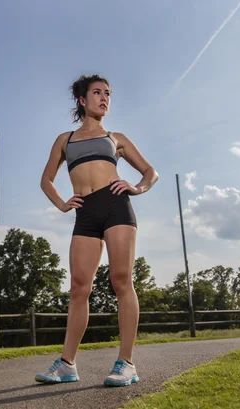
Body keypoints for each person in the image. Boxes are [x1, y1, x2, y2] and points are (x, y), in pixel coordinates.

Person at [36, 74, 159, 387]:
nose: (104, 98)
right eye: (97, 92)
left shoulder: (116, 137)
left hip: (116, 205)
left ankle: (126, 363)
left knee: (121, 280)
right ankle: (67, 364)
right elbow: (46, 180)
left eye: (108, 93)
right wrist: (63, 203)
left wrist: (138, 187)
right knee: (79, 287)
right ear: (82, 99)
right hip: (85, 213)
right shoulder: (66, 140)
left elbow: (150, 172)